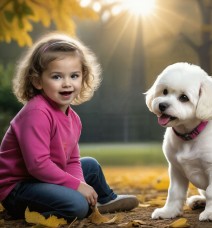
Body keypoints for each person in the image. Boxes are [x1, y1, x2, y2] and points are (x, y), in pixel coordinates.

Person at [0, 33, 138, 222]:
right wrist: (76, 187)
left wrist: (80, 183)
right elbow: (38, 165)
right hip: (18, 188)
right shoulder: (37, 112)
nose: (67, 83)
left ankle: (104, 200)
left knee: (90, 165)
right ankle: (26, 214)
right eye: (56, 77)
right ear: (37, 81)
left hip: (43, 179)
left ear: (83, 78)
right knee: (76, 206)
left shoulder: (73, 118)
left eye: (74, 76)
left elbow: (72, 160)